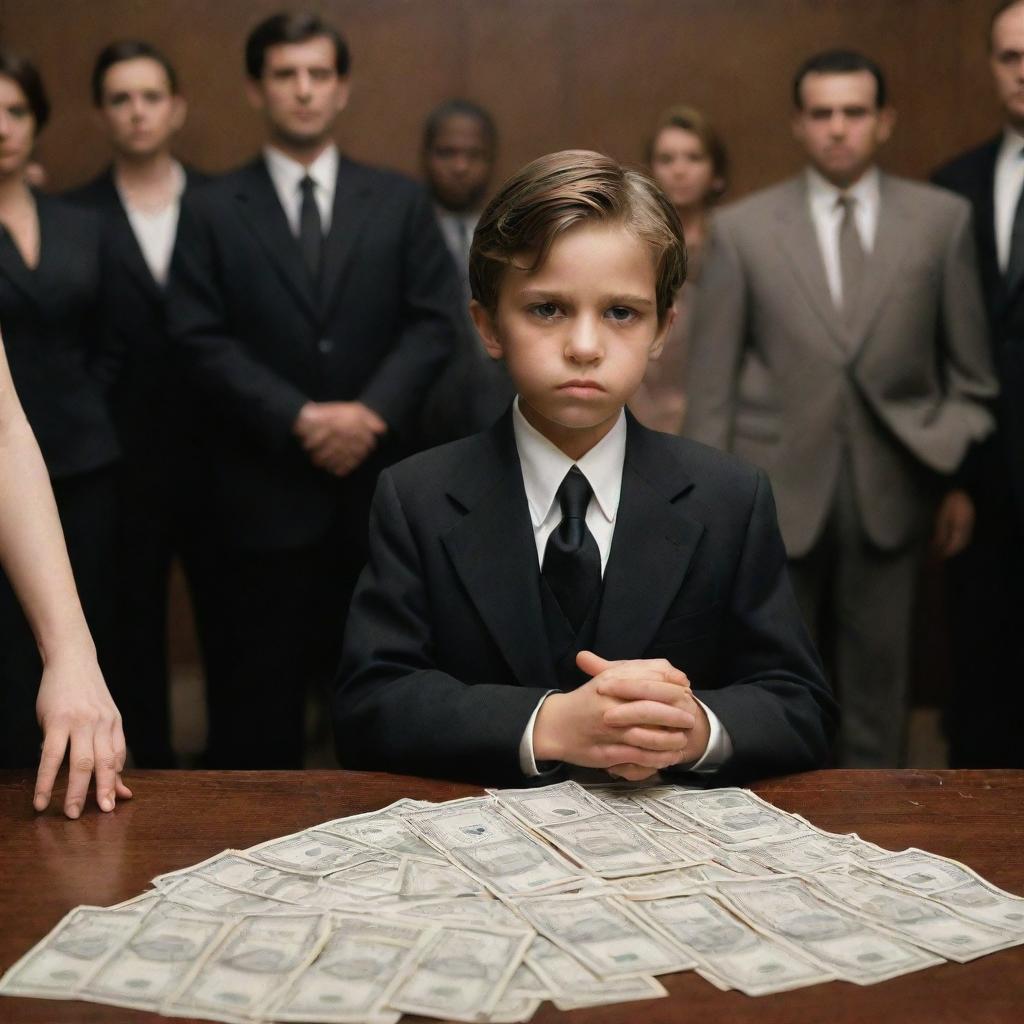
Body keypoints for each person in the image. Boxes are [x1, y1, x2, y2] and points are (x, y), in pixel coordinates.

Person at [334, 149, 837, 785]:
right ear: (488, 326)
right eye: (547, 309)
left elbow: (800, 704)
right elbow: (368, 706)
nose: (584, 346)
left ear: (661, 331)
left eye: (621, 313)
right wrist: (546, 724)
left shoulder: (729, 497)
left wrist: (696, 726)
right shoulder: (417, 497)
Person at [685, 50, 997, 767]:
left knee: (880, 692)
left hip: (893, 490)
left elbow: (974, 378)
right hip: (772, 491)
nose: (837, 129)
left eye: (853, 112)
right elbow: (712, 387)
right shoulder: (745, 229)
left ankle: (875, 837)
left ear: (883, 122)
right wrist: (710, 506)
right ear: (798, 124)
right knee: (772, 684)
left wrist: (941, 460)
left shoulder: (942, 221)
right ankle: (780, 841)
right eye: (821, 113)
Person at [167, 12, 459, 768]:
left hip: (377, 504)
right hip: (255, 503)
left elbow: (434, 323)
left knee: (381, 714)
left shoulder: (395, 201)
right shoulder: (207, 209)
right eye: (285, 75)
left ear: (341, 88)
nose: (303, 90)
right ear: (256, 89)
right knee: (253, 721)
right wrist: (297, 416)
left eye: (318, 75)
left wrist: (368, 413)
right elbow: (196, 337)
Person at [67, 40, 218, 768]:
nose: (137, 111)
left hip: (226, 456)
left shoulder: (225, 203)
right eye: (121, 98)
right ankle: (146, 766)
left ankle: (236, 777)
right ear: (102, 114)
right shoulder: (73, 213)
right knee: (130, 631)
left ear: (176, 107)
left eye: (150, 96)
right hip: (121, 460)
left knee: (234, 630)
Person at [0, 51, 127, 810]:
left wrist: (70, 652)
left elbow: (4, 427)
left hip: (78, 455)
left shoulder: (80, 224)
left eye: (13, 111)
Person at [930, 0, 1024, 768]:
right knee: (984, 665)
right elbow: (937, 347)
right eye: (1009, 56)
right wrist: (953, 477)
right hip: (987, 477)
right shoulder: (953, 186)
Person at [629, 105, 728, 434]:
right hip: (640, 401)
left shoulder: (734, 244)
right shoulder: (630, 244)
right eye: (667, 159)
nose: (680, 170)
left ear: (716, 172)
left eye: (693, 158)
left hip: (719, 405)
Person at [420, 98, 513, 444]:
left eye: (474, 155)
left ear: (491, 160)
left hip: (502, 408)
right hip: (423, 417)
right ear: (426, 156)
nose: (460, 166)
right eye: (447, 153)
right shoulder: (402, 234)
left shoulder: (512, 235)